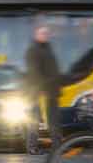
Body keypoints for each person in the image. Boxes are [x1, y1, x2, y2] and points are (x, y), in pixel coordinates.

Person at [25, 24, 66, 154]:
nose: (45, 35)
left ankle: (58, 146)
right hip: (39, 91)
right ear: (36, 34)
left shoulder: (47, 48)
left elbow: (52, 70)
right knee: (35, 119)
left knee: (53, 119)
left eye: (47, 33)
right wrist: (42, 88)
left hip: (51, 91)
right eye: (42, 33)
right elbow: (34, 72)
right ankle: (32, 147)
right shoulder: (33, 50)